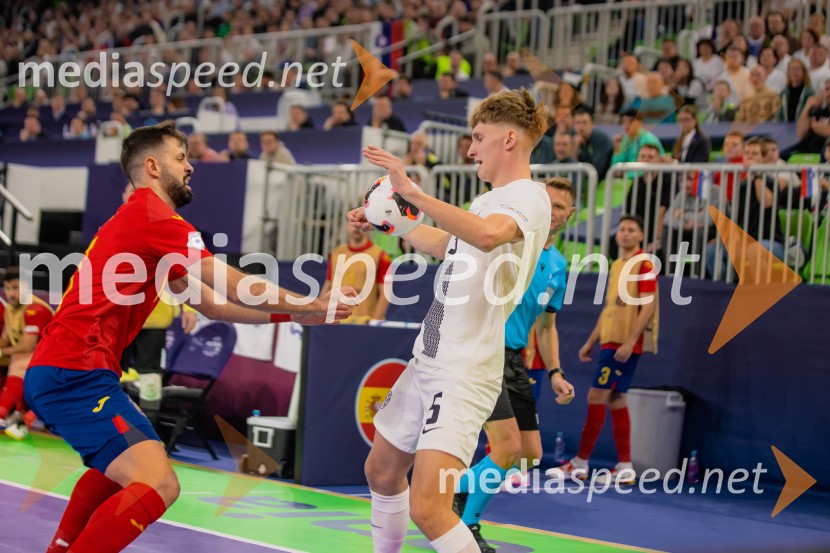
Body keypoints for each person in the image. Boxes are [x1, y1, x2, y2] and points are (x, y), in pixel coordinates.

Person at [25, 121, 354, 553]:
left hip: (76, 370)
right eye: (180, 158)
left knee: (119, 468)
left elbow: (213, 305)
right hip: (74, 371)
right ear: (152, 166)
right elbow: (234, 284)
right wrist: (309, 302)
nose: (190, 166)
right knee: (158, 484)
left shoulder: (143, 223)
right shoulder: (154, 215)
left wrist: (289, 315)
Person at [348, 89, 551, 553]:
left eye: (479, 137)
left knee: (430, 507)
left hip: (462, 373)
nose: (470, 148)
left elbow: (486, 235)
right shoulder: (486, 200)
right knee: (381, 470)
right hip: (429, 359)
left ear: (510, 139)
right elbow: (450, 244)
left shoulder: (529, 197)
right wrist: (388, 222)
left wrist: (413, 193)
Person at [452, 178, 577, 552]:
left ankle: (457, 487)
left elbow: (547, 325)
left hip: (516, 361)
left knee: (530, 455)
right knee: (506, 449)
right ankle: (467, 525)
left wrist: (555, 372)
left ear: (570, 216)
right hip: (486, 352)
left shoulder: (557, 265)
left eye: (560, 207)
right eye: (548, 203)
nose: (552, 212)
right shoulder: (513, 241)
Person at [547, 214, 658, 486]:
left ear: (641, 236)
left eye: (632, 229)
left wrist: (631, 341)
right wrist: (591, 341)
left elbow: (649, 306)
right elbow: (610, 309)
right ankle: (624, 466)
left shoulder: (643, 263)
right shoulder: (619, 264)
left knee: (597, 396)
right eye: (621, 229)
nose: (626, 234)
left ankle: (580, 463)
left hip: (623, 343)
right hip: (611, 341)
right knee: (615, 398)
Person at [0, 267, 54, 440]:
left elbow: (27, 345)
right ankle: (20, 418)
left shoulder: (35, 309)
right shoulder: (11, 308)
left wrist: (1, 351)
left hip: (56, 363)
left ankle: (3, 413)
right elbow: (5, 338)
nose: (11, 293)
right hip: (39, 365)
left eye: (15, 288)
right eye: (8, 288)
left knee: (20, 358)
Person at [321, 223, 392, 323]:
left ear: (368, 227)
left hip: (363, 322)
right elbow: (328, 285)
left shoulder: (380, 255)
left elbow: (385, 295)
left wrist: (373, 322)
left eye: (361, 224)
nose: (357, 228)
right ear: (346, 225)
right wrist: (320, 314)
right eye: (352, 224)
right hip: (336, 322)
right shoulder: (336, 253)